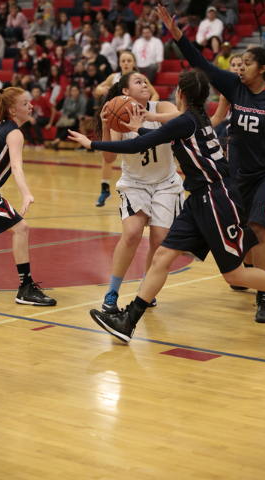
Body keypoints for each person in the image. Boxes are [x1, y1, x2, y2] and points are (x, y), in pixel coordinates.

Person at [69, 69, 265, 343]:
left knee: (235, 275)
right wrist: (136, 126)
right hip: (198, 198)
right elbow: (148, 135)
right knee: (162, 256)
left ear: (180, 94)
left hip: (216, 197)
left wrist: (90, 142)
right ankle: (128, 322)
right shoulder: (193, 118)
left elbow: (142, 142)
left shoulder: (185, 121)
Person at [153, 5, 265, 324]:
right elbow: (200, 63)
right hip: (241, 171)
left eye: (248, 63)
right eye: (239, 63)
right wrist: (178, 36)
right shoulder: (233, 86)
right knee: (244, 231)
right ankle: (249, 274)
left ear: (264, 69)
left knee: (260, 229)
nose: (240, 67)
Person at [69, 71, 184, 314]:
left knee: (159, 240)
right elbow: (109, 158)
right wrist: (104, 122)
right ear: (125, 91)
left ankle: (146, 288)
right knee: (131, 233)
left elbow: (182, 117)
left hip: (165, 183)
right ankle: (112, 292)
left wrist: (149, 116)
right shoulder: (117, 114)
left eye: (145, 81)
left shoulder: (160, 105)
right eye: (138, 81)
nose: (144, 84)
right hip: (135, 183)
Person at [0, 87, 57, 306]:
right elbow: (17, 168)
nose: (31, 106)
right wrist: (26, 194)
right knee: (21, 228)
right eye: (25, 103)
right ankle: (25, 289)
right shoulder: (14, 132)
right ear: (13, 110)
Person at [94, 51, 159, 207]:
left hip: (138, 115)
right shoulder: (114, 77)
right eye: (123, 60)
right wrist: (103, 90)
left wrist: (149, 108)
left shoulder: (141, 79)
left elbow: (154, 94)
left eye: (129, 60)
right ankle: (105, 188)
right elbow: (97, 88)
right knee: (108, 155)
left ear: (134, 62)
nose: (126, 63)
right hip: (118, 117)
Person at [49, 84, 87, 150]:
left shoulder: (83, 100)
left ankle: (57, 141)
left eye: (76, 90)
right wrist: (64, 115)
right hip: (67, 119)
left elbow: (81, 113)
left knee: (69, 126)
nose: (74, 92)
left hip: (77, 121)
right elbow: (63, 111)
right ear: (70, 92)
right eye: (72, 91)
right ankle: (56, 141)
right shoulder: (67, 100)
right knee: (60, 124)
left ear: (79, 91)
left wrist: (71, 115)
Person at [21, 84, 56, 148]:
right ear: (32, 93)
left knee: (35, 121)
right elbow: (30, 112)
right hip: (39, 119)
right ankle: (31, 142)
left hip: (47, 118)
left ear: (40, 92)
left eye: (38, 92)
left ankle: (41, 143)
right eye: (34, 92)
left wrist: (50, 123)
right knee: (24, 123)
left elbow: (53, 110)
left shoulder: (45, 100)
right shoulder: (32, 101)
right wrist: (30, 118)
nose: (36, 93)